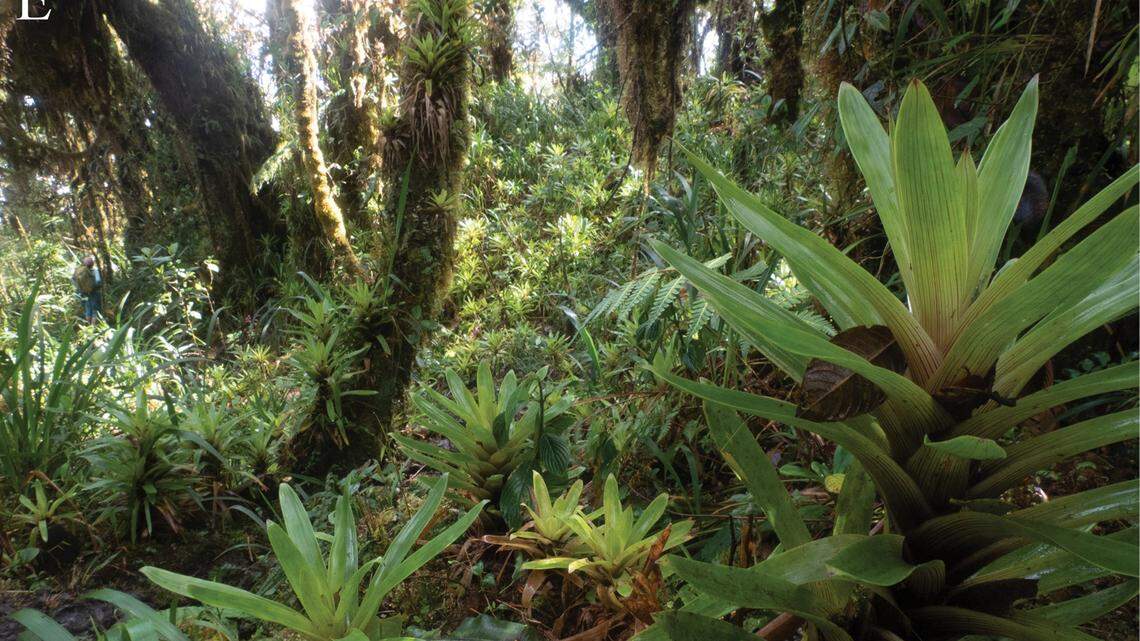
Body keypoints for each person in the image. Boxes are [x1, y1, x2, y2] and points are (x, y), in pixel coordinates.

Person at [72, 255, 103, 324]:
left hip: (84, 293)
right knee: (95, 310)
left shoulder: (79, 271)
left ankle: (89, 327)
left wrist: (81, 288)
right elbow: (98, 281)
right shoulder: (95, 270)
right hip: (94, 292)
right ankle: (93, 327)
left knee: (88, 309)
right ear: (92, 263)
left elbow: (73, 280)